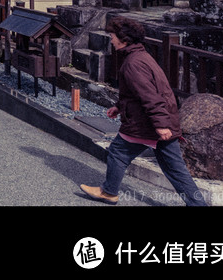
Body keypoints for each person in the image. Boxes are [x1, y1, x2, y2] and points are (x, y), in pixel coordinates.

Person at [80, 17, 207, 206]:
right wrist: (119, 106)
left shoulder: (133, 63)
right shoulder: (141, 56)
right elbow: (139, 93)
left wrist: (161, 125)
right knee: (175, 169)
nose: (111, 40)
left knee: (117, 152)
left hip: (147, 124)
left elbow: (150, 97)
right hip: (159, 121)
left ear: (124, 39)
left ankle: (108, 192)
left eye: (113, 36)